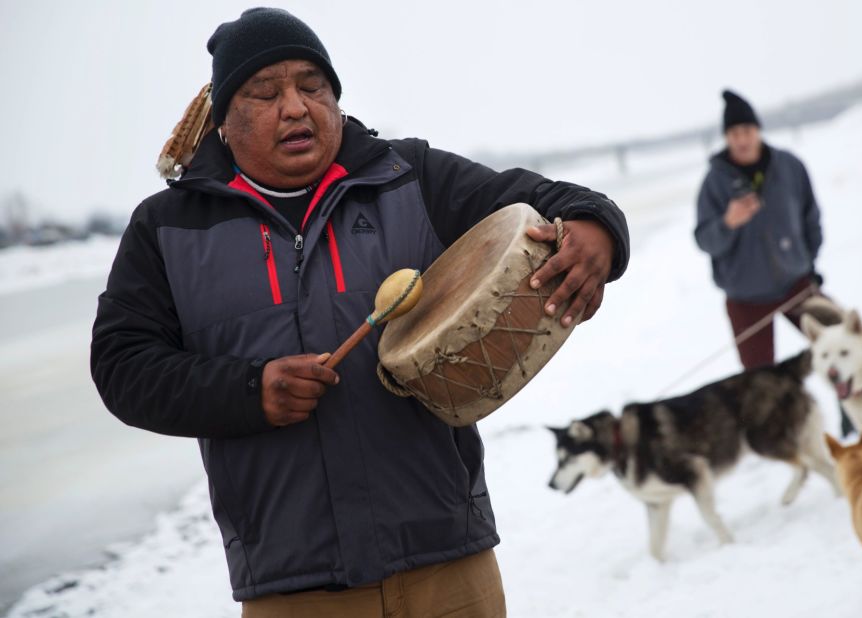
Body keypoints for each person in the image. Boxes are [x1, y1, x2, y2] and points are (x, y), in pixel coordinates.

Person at [90, 8, 629, 616]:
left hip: (449, 563)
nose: (294, 107)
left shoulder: (409, 177)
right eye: (265, 93)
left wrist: (596, 228)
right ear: (223, 121)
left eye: (312, 87)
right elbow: (121, 366)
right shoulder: (168, 228)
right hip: (294, 587)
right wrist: (249, 391)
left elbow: (550, 201)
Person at [694, 89, 854, 437]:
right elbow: (704, 239)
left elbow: (811, 218)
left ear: (758, 130)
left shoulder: (789, 166)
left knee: (840, 340)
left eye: (747, 131)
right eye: (734, 133)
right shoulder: (714, 182)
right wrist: (728, 223)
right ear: (726, 138)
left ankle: (850, 411)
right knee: (760, 380)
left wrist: (809, 263)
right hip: (746, 297)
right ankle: (787, 435)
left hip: (796, 283)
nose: (742, 139)